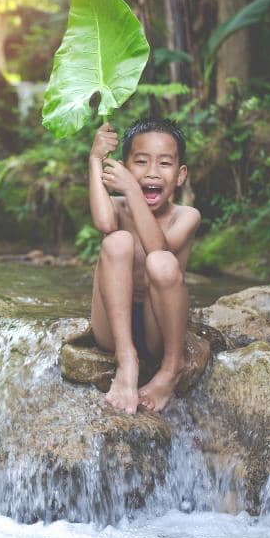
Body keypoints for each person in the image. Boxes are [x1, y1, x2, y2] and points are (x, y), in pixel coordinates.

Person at [88, 117, 200, 414]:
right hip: (113, 327)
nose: (152, 172)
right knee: (117, 241)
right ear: (124, 167)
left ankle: (170, 369)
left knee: (162, 262)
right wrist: (95, 159)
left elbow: (158, 249)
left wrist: (134, 191)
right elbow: (103, 223)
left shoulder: (186, 216)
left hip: (158, 328)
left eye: (164, 163)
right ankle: (127, 362)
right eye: (140, 162)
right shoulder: (117, 207)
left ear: (180, 174)